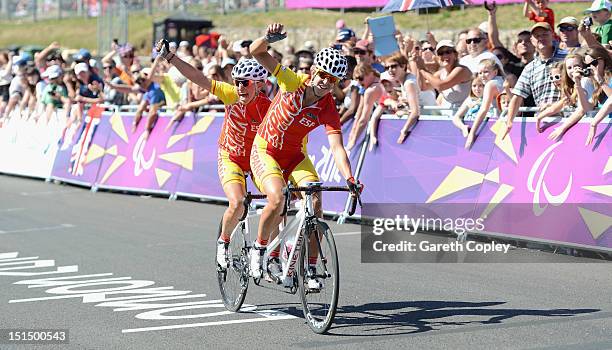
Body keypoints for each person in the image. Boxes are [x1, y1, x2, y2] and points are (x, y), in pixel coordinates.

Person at [248, 23, 361, 286]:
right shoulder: (291, 81)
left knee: (316, 201)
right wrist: (266, 38)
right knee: (276, 199)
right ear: (313, 71)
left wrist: (350, 177)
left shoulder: (328, 106)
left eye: (333, 80)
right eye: (323, 75)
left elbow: (337, 147)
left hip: (295, 156)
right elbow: (257, 52)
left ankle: (310, 268)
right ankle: (259, 248)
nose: (325, 82)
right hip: (265, 149)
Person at [156, 39, 272, 269]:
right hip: (230, 157)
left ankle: (271, 253)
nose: (239, 88)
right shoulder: (230, 94)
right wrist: (171, 58)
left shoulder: (269, 106)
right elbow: (198, 78)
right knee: (238, 202)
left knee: (277, 200)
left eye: (245, 83)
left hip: (256, 158)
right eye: (237, 82)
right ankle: (224, 241)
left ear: (259, 85)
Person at [502, 22, 568, 139]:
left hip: (568, 119)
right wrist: (509, 122)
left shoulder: (567, 57)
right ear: (532, 40)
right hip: (542, 122)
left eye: (544, 34)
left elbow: (577, 91)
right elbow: (517, 97)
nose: (541, 38)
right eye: (537, 36)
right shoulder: (529, 68)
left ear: (552, 35)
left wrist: (555, 106)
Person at [417, 40, 472, 110]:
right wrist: (417, 65)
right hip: (448, 114)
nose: (445, 56)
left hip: (465, 115)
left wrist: (422, 69)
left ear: (455, 55)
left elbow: (440, 86)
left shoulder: (461, 70)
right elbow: (423, 87)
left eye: (448, 52)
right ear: (438, 57)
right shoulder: (440, 73)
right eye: (441, 53)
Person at [465, 58, 505, 149]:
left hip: (496, 127)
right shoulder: (501, 81)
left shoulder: (490, 84)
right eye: (480, 73)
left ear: (495, 72)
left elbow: (484, 110)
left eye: (486, 72)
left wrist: (472, 134)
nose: (482, 76)